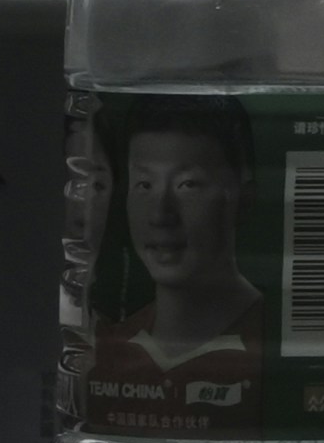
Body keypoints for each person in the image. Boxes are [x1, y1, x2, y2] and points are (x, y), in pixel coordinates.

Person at [83, 115, 267, 419]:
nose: (160, 214)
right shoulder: (104, 351)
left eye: (188, 184)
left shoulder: (277, 347)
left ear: (243, 201)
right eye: (144, 184)